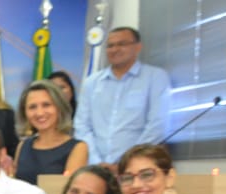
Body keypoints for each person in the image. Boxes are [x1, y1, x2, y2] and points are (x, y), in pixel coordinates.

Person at [74, 27, 172, 167]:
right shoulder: (92, 83)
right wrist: (97, 162)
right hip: (96, 168)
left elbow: (157, 125)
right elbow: (82, 126)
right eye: (110, 45)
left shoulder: (155, 77)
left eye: (122, 44)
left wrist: (127, 162)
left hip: (138, 168)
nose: (115, 49)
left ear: (138, 47)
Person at [13, 80, 89, 184]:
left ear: (59, 107)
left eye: (46, 105)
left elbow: (70, 193)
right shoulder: (22, 146)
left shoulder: (78, 148)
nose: (39, 113)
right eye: (32, 107)